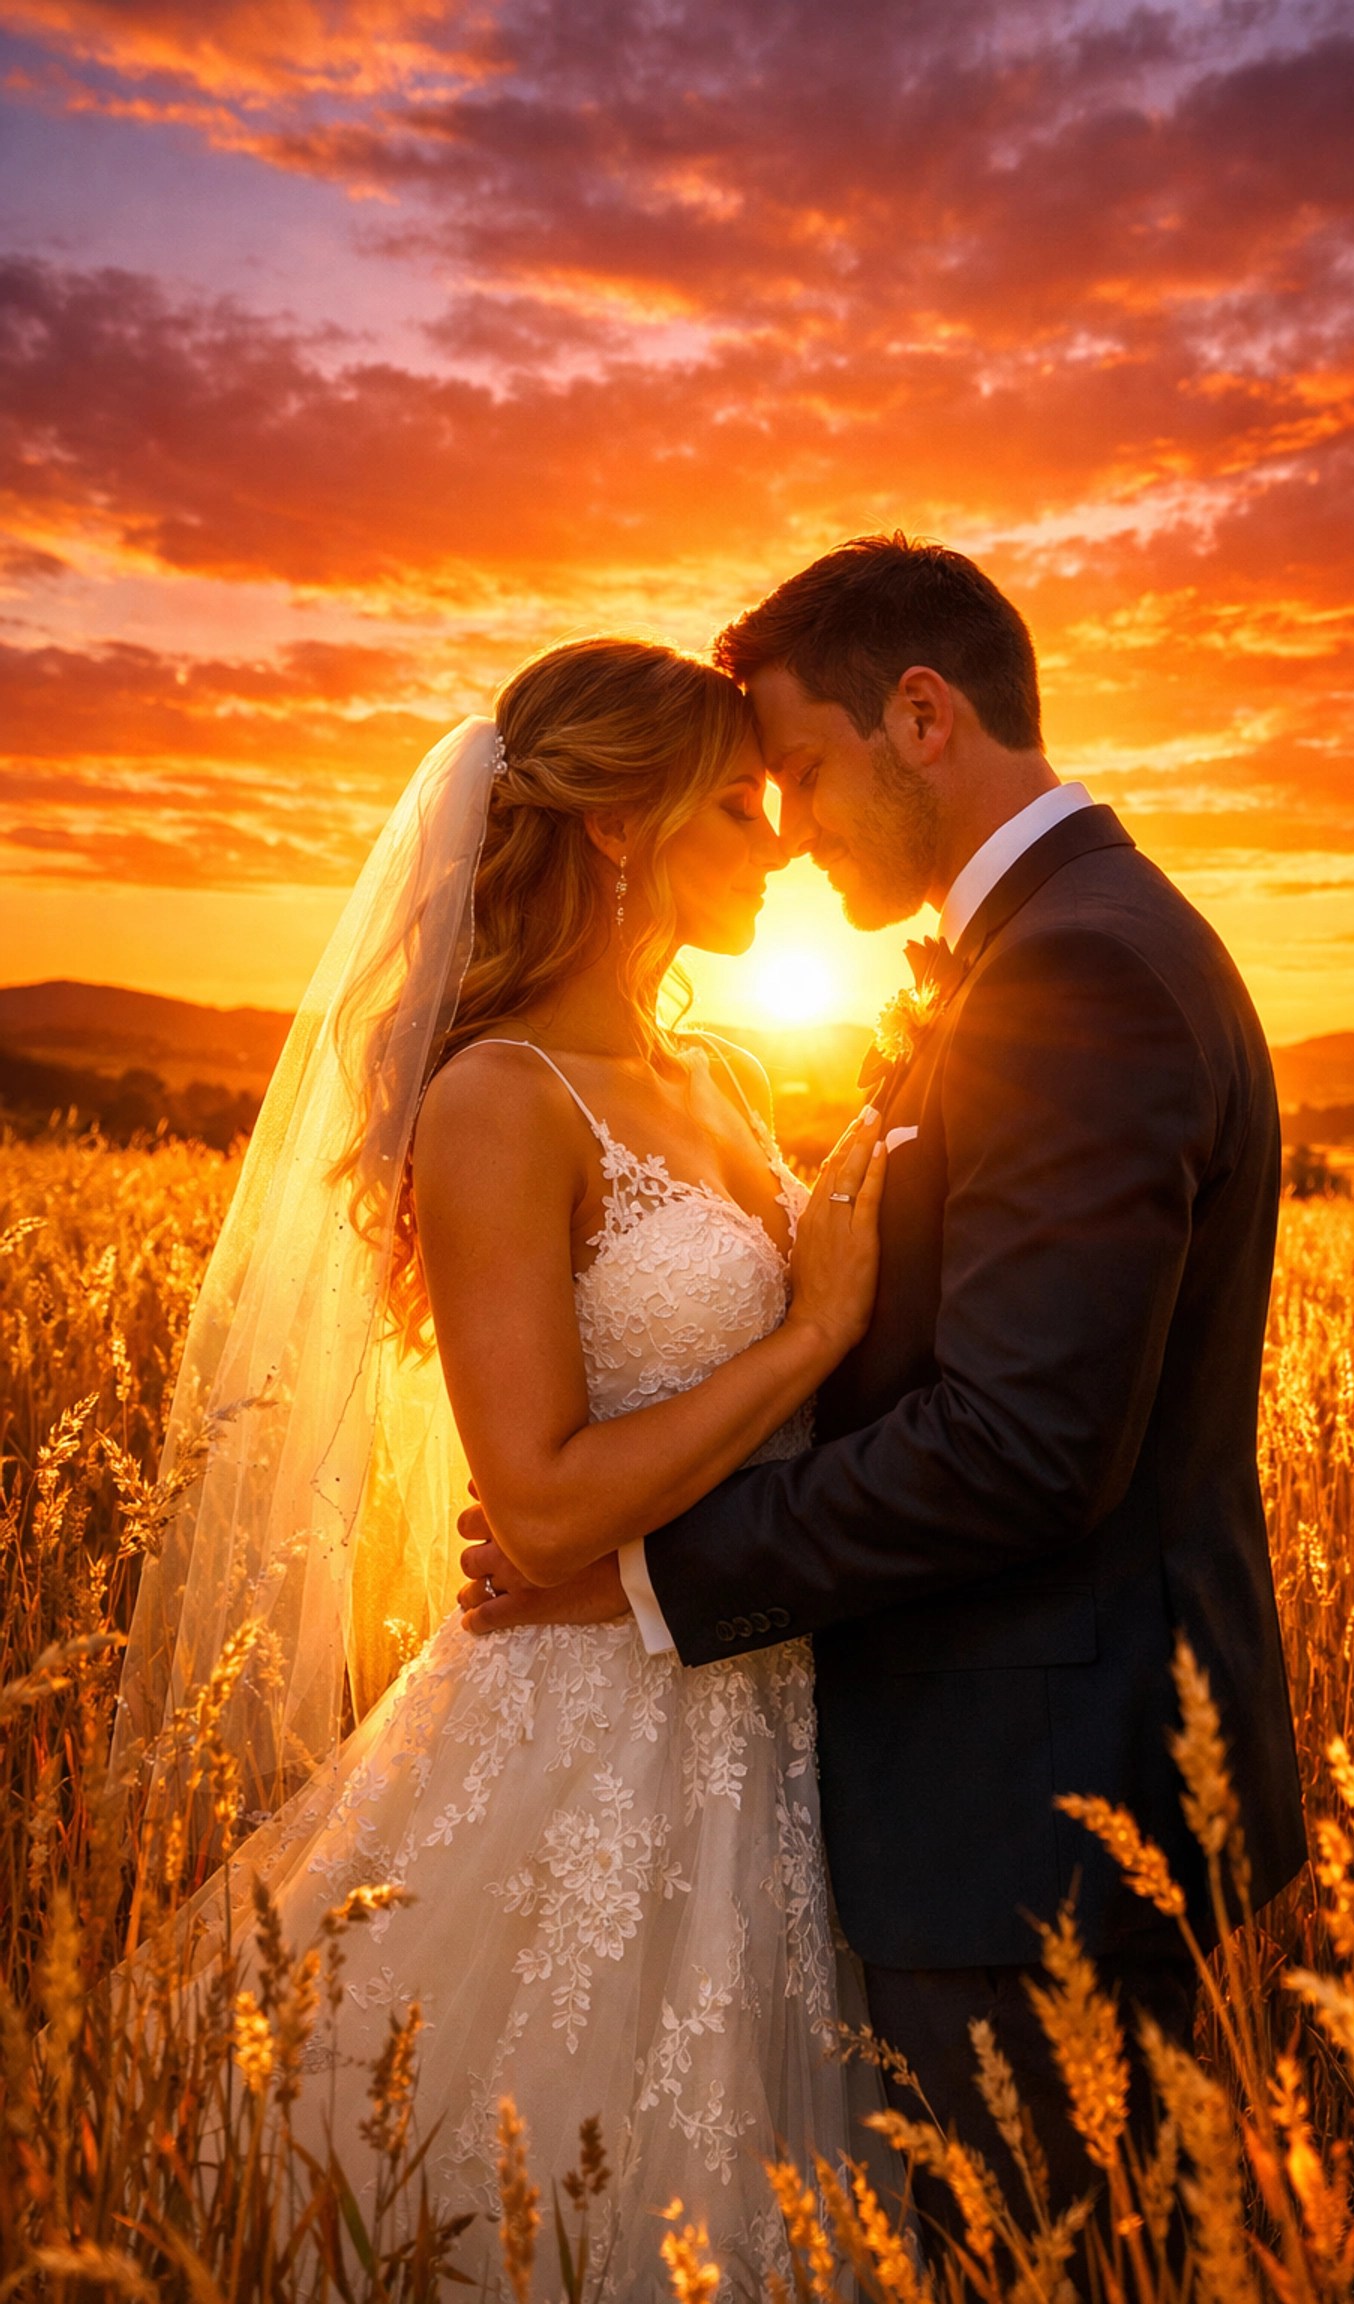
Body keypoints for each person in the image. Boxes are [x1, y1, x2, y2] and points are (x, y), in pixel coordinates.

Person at [462, 539, 1309, 2239]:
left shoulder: (1075, 966)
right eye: (749, 794)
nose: (787, 828)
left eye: (797, 769)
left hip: (1028, 1810)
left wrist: (643, 1572)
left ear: (922, 717)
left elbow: (1020, 1447)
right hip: (920, 1795)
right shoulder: (1054, 946)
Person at [114, 637, 897, 2300]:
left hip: (765, 1706)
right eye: (737, 806)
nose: (775, 845)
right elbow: (534, 1505)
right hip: (590, 1729)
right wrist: (814, 1331)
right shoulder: (499, 1099)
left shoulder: (726, 1072)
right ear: (617, 825)